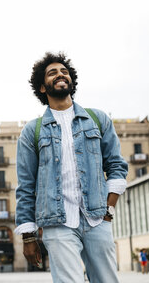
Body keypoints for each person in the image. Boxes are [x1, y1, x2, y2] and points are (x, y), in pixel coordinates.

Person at [15, 52, 128, 283]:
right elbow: (26, 186)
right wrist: (28, 236)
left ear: (71, 80)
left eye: (64, 71)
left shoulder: (98, 119)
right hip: (57, 223)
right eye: (52, 72)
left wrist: (109, 210)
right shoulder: (32, 131)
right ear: (43, 88)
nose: (60, 74)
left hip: (97, 218)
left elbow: (116, 166)